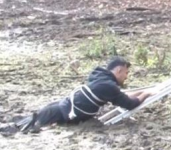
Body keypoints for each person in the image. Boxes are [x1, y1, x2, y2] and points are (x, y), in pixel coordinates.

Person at [16, 56, 154, 133]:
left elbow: (121, 95)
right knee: (29, 128)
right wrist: (146, 94)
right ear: (118, 70)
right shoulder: (109, 86)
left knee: (29, 122)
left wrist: (141, 92)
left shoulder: (100, 76)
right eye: (126, 73)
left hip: (60, 106)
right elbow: (129, 104)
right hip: (64, 113)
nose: (126, 76)